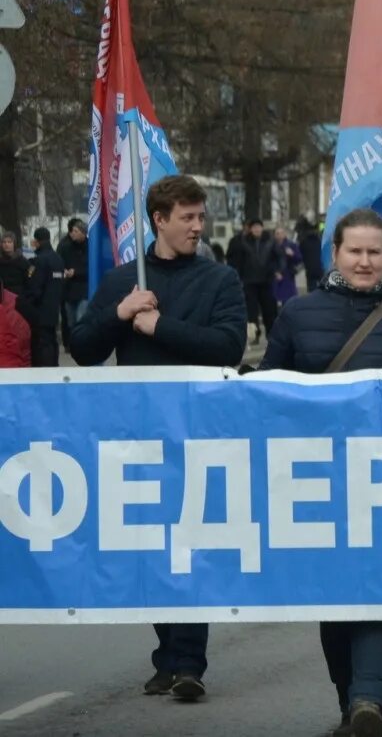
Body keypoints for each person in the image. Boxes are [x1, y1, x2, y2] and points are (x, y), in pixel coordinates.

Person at [263, 207, 382, 737]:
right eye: (355, 251)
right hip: (316, 484)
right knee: (335, 599)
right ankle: (351, 704)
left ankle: (370, 700)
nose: (365, 261)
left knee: (380, 589)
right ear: (335, 254)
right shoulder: (297, 314)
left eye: (374, 252)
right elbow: (267, 395)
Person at [69, 175, 247, 704]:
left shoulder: (220, 280)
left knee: (189, 546)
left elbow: (227, 346)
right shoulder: (125, 280)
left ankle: (188, 662)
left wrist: (156, 327)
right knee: (149, 550)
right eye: (187, 217)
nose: (198, 226)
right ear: (159, 221)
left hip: (198, 434)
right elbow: (80, 348)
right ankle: (167, 656)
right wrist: (120, 315)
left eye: (200, 216)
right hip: (136, 436)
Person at [227, 217, 280, 344]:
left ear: (262, 228)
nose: (256, 229)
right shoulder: (243, 242)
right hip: (249, 281)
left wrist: (275, 270)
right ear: (250, 229)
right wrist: (239, 276)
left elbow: (278, 257)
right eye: (254, 227)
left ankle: (271, 334)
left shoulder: (270, 241)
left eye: (258, 227)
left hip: (266, 281)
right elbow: (237, 261)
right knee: (252, 311)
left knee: (269, 310)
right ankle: (254, 335)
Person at [24, 226, 62, 367]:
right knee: (52, 340)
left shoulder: (39, 261)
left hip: (40, 310)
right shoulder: (58, 259)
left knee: (42, 343)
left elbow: (36, 288)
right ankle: (53, 366)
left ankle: (45, 370)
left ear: (36, 241)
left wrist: (27, 303)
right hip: (54, 308)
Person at [58, 217, 90, 339]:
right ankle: (74, 343)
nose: (73, 233)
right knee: (71, 321)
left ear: (83, 232)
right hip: (69, 291)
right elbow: (60, 262)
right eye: (72, 231)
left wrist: (75, 272)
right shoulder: (65, 247)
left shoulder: (90, 247)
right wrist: (64, 270)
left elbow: (91, 268)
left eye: (76, 231)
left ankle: (82, 343)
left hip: (83, 290)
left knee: (81, 318)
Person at [272, 224, 304, 306]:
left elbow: (299, 259)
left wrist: (292, 254)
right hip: (275, 277)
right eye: (277, 233)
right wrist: (275, 272)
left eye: (281, 233)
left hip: (288, 276)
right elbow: (269, 261)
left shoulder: (291, 245)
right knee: (275, 302)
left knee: (289, 301)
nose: (279, 235)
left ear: (285, 234)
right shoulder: (272, 246)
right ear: (274, 235)